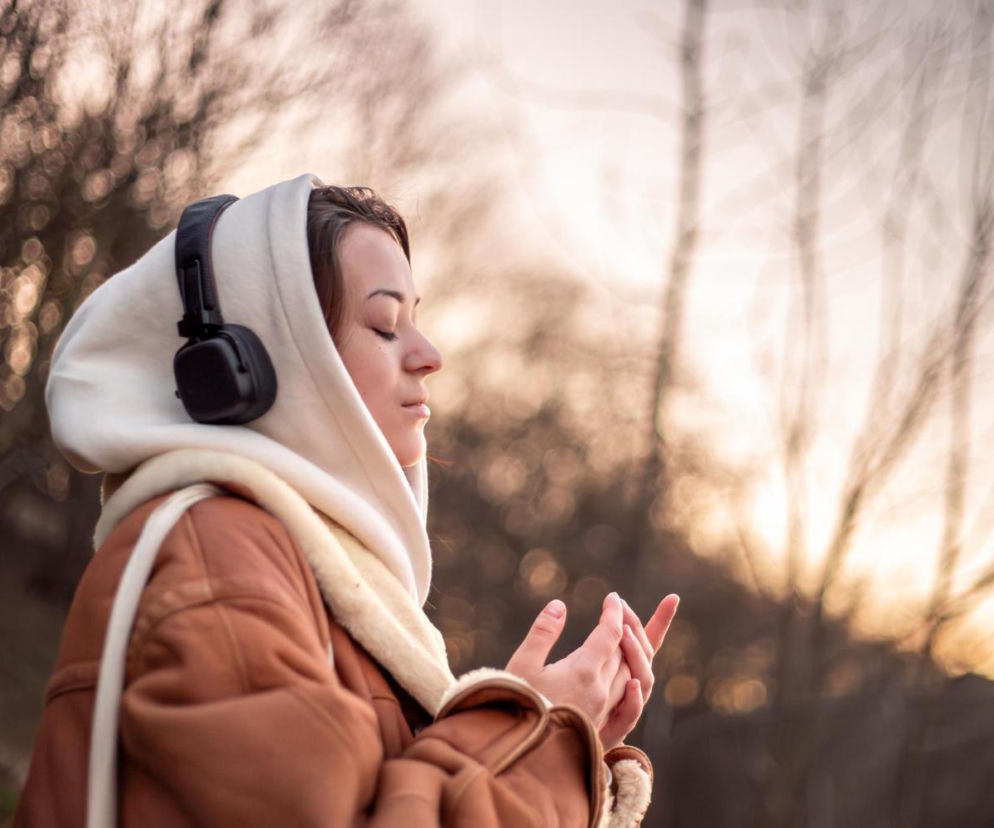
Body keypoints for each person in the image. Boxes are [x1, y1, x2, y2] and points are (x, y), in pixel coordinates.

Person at [14, 175, 678, 826]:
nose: (430, 354)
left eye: (417, 319)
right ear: (274, 359)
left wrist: (570, 746)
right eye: (387, 324)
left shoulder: (322, 581)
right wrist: (534, 737)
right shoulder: (216, 558)